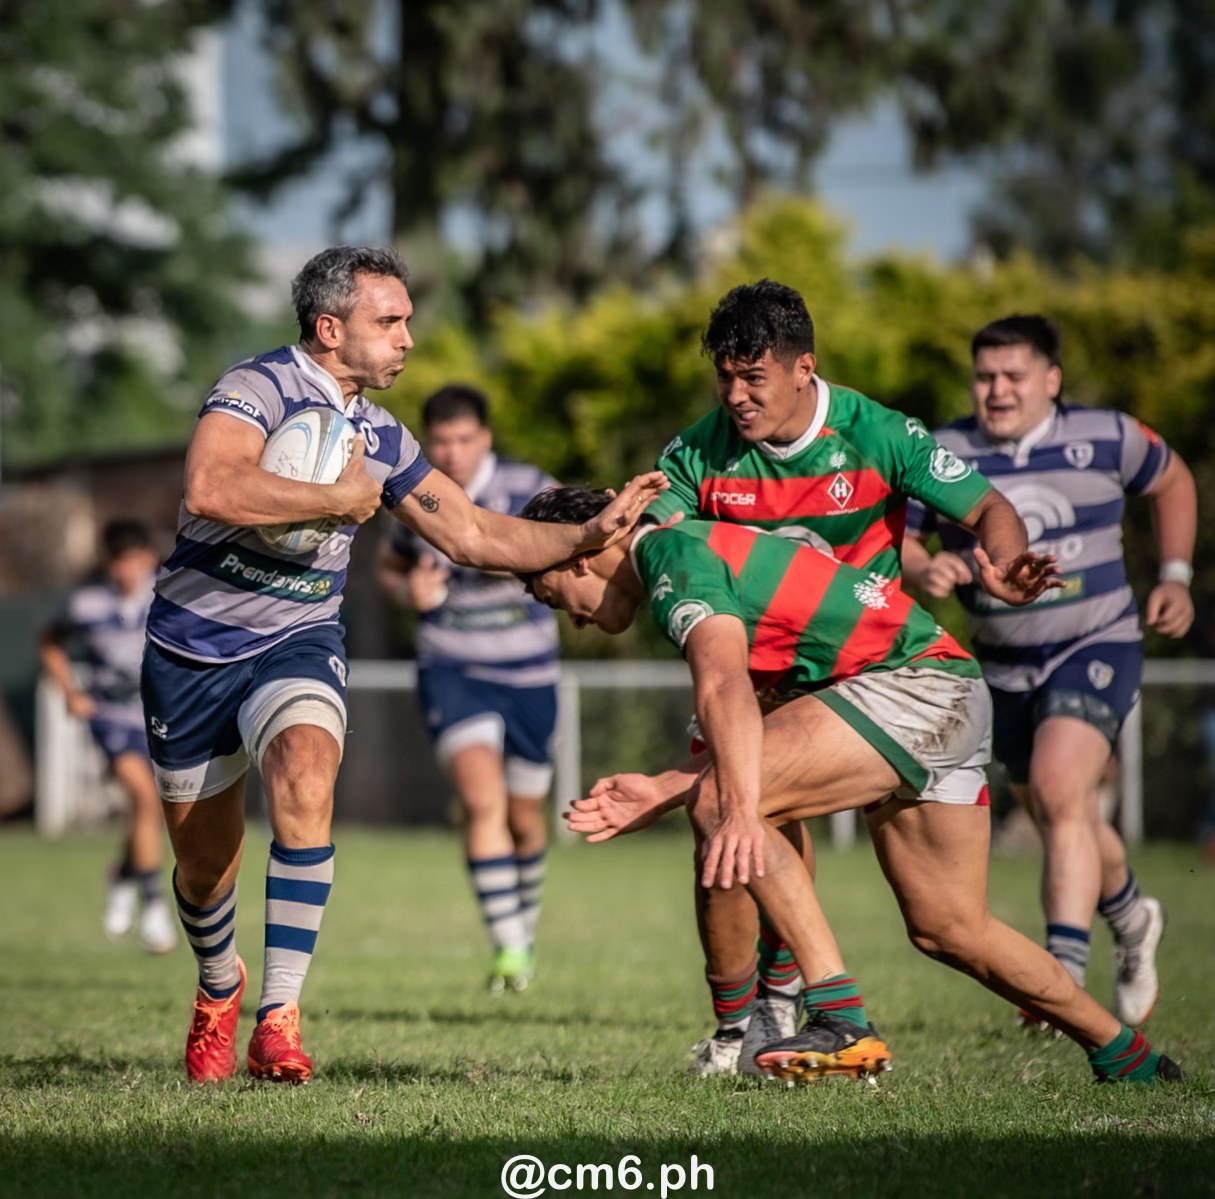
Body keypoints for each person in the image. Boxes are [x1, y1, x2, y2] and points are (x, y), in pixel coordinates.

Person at [140, 245, 666, 1085]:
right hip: (190, 646)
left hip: (298, 640)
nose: (408, 338)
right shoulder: (254, 388)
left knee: (308, 776)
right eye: (389, 321)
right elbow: (209, 485)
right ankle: (219, 985)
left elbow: (474, 533)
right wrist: (334, 500)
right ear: (329, 327)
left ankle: (277, 1016)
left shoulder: (382, 435)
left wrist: (583, 534)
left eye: (407, 320)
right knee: (204, 866)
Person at [514, 484, 1182, 1086]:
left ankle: (838, 1017)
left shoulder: (668, 558)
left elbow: (724, 690)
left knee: (730, 802)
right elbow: (755, 722)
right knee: (949, 927)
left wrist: (702, 795)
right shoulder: (690, 545)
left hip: (910, 687)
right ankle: (1126, 1055)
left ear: (577, 557)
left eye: (552, 597)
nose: (569, 617)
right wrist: (667, 786)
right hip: (939, 684)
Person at [641, 280, 1058, 1075]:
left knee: (937, 918)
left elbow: (989, 508)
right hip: (756, 675)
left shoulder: (879, 434)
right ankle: (744, 1025)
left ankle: (791, 1003)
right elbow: (652, 538)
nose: (735, 395)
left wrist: (1002, 564)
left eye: (752, 377)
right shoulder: (696, 451)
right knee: (721, 830)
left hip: (864, 673)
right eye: (724, 377)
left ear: (804, 368)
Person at [902, 314, 1196, 1030]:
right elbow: (903, 539)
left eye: (1012, 376)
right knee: (1056, 808)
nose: (995, 390)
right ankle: (1130, 918)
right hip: (999, 664)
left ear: (1050, 380)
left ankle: (1058, 976)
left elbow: (1172, 480)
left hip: (1095, 641)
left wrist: (1176, 575)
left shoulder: (1107, 436)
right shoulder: (944, 451)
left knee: (1064, 790)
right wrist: (926, 566)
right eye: (983, 376)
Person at [377, 384, 558, 994]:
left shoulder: (532, 488)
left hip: (530, 672)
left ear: (485, 438)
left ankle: (522, 932)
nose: (452, 453)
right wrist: (410, 594)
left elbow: (578, 544)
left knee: (528, 820)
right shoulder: (418, 490)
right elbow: (391, 566)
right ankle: (509, 950)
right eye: (442, 441)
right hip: (452, 668)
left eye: (464, 439)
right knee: (484, 805)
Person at [40, 519, 176, 955]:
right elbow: (49, 641)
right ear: (107, 563)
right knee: (145, 797)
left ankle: (123, 872)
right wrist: (70, 692)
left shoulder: (166, 593)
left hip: (156, 714)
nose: (128, 571)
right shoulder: (87, 604)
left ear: (148, 560)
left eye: (136, 561)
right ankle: (154, 909)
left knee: (150, 811)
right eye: (119, 562)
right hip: (110, 716)